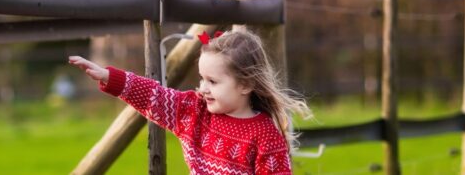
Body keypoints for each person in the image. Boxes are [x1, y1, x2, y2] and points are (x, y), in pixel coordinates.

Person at [69, 29, 312, 174]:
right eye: (202, 79)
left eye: (213, 82)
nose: (203, 89)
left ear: (246, 85)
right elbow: (155, 97)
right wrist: (110, 77)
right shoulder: (195, 112)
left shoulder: (265, 135)